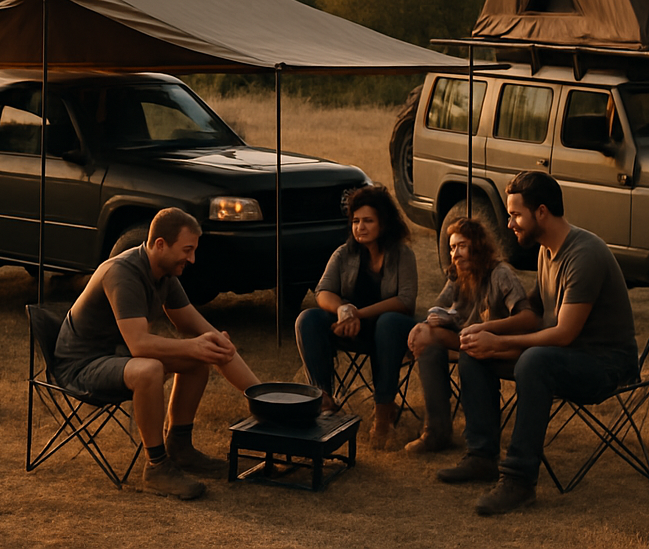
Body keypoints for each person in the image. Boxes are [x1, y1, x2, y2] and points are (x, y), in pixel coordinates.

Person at [437, 171, 639, 516]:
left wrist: (500, 343)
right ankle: (482, 455)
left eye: (516, 214)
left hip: (604, 363)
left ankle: (518, 479)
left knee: (534, 361)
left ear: (541, 212)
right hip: (564, 355)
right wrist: (485, 332)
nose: (510, 223)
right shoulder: (547, 251)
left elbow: (564, 334)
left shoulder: (583, 254)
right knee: (474, 352)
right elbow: (533, 312)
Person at [53, 206, 259, 500]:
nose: (192, 259)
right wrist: (195, 345)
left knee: (199, 356)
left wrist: (259, 392)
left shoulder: (164, 274)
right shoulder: (122, 273)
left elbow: (195, 325)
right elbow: (139, 344)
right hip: (82, 365)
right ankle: (157, 466)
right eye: (187, 250)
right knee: (148, 368)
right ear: (160, 244)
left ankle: (181, 448)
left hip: (118, 356)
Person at [294, 184, 417, 447]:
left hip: (391, 332)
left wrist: (357, 313)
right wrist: (342, 310)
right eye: (356, 221)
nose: (360, 227)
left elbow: (405, 301)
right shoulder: (344, 253)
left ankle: (383, 413)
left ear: (384, 223)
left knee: (388, 322)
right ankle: (324, 401)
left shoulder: (402, 254)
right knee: (308, 318)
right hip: (351, 329)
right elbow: (323, 290)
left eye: (368, 221)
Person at [405, 217, 537, 454]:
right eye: (452, 248)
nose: (455, 254)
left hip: (501, 347)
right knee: (429, 343)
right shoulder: (458, 274)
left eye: (462, 246)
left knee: (432, 338)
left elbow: (527, 318)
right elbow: (440, 307)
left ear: (478, 245)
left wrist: (486, 329)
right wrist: (436, 320)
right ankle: (437, 431)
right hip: (468, 342)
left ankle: (456, 436)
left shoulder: (500, 273)